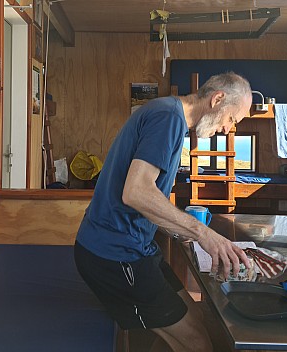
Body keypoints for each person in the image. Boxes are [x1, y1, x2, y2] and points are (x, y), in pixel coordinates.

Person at [74, 72, 253, 352]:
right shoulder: (168, 117)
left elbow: (148, 198)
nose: (229, 129)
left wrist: (179, 229)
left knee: (194, 319)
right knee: (197, 342)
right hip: (114, 256)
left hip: (137, 249)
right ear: (217, 99)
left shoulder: (172, 117)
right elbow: (135, 192)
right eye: (232, 119)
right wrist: (203, 233)